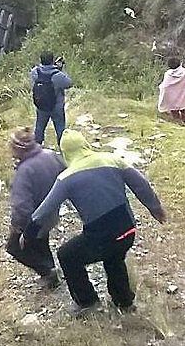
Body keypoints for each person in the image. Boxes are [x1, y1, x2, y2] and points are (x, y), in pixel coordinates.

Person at [24, 130, 167, 317]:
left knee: (67, 255)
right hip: (127, 230)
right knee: (114, 258)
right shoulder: (112, 160)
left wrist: (28, 234)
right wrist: (155, 208)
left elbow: (45, 209)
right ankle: (124, 301)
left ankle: (87, 302)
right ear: (85, 144)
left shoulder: (66, 178)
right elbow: (141, 183)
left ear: (65, 153)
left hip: (100, 236)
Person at [5, 128, 65, 289]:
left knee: (14, 247)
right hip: (52, 212)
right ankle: (51, 272)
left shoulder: (24, 171)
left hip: (35, 218)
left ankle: (47, 272)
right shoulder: (51, 155)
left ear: (18, 148)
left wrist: (18, 227)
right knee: (41, 242)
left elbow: (22, 206)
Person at [31, 52, 72, 146]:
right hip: (56, 106)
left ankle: (37, 146)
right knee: (60, 128)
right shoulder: (57, 75)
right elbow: (69, 83)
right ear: (52, 60)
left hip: (41, 105)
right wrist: (61, 69)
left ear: (41, 60)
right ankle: (62, 147)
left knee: (39, 127)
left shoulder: (35, 72)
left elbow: (34, 80)